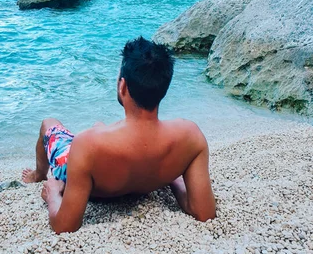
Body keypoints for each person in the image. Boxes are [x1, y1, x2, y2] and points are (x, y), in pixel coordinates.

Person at [22, 37, 216, 234]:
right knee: (99, 127)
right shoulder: (190, 137)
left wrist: (53, 194)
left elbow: (65, 225)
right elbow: (204, 212)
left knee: (49, 123)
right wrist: (173, 176)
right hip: (149, 175)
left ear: (122, 86)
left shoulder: (87, 145)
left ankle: (38, 175)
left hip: (96, 187)